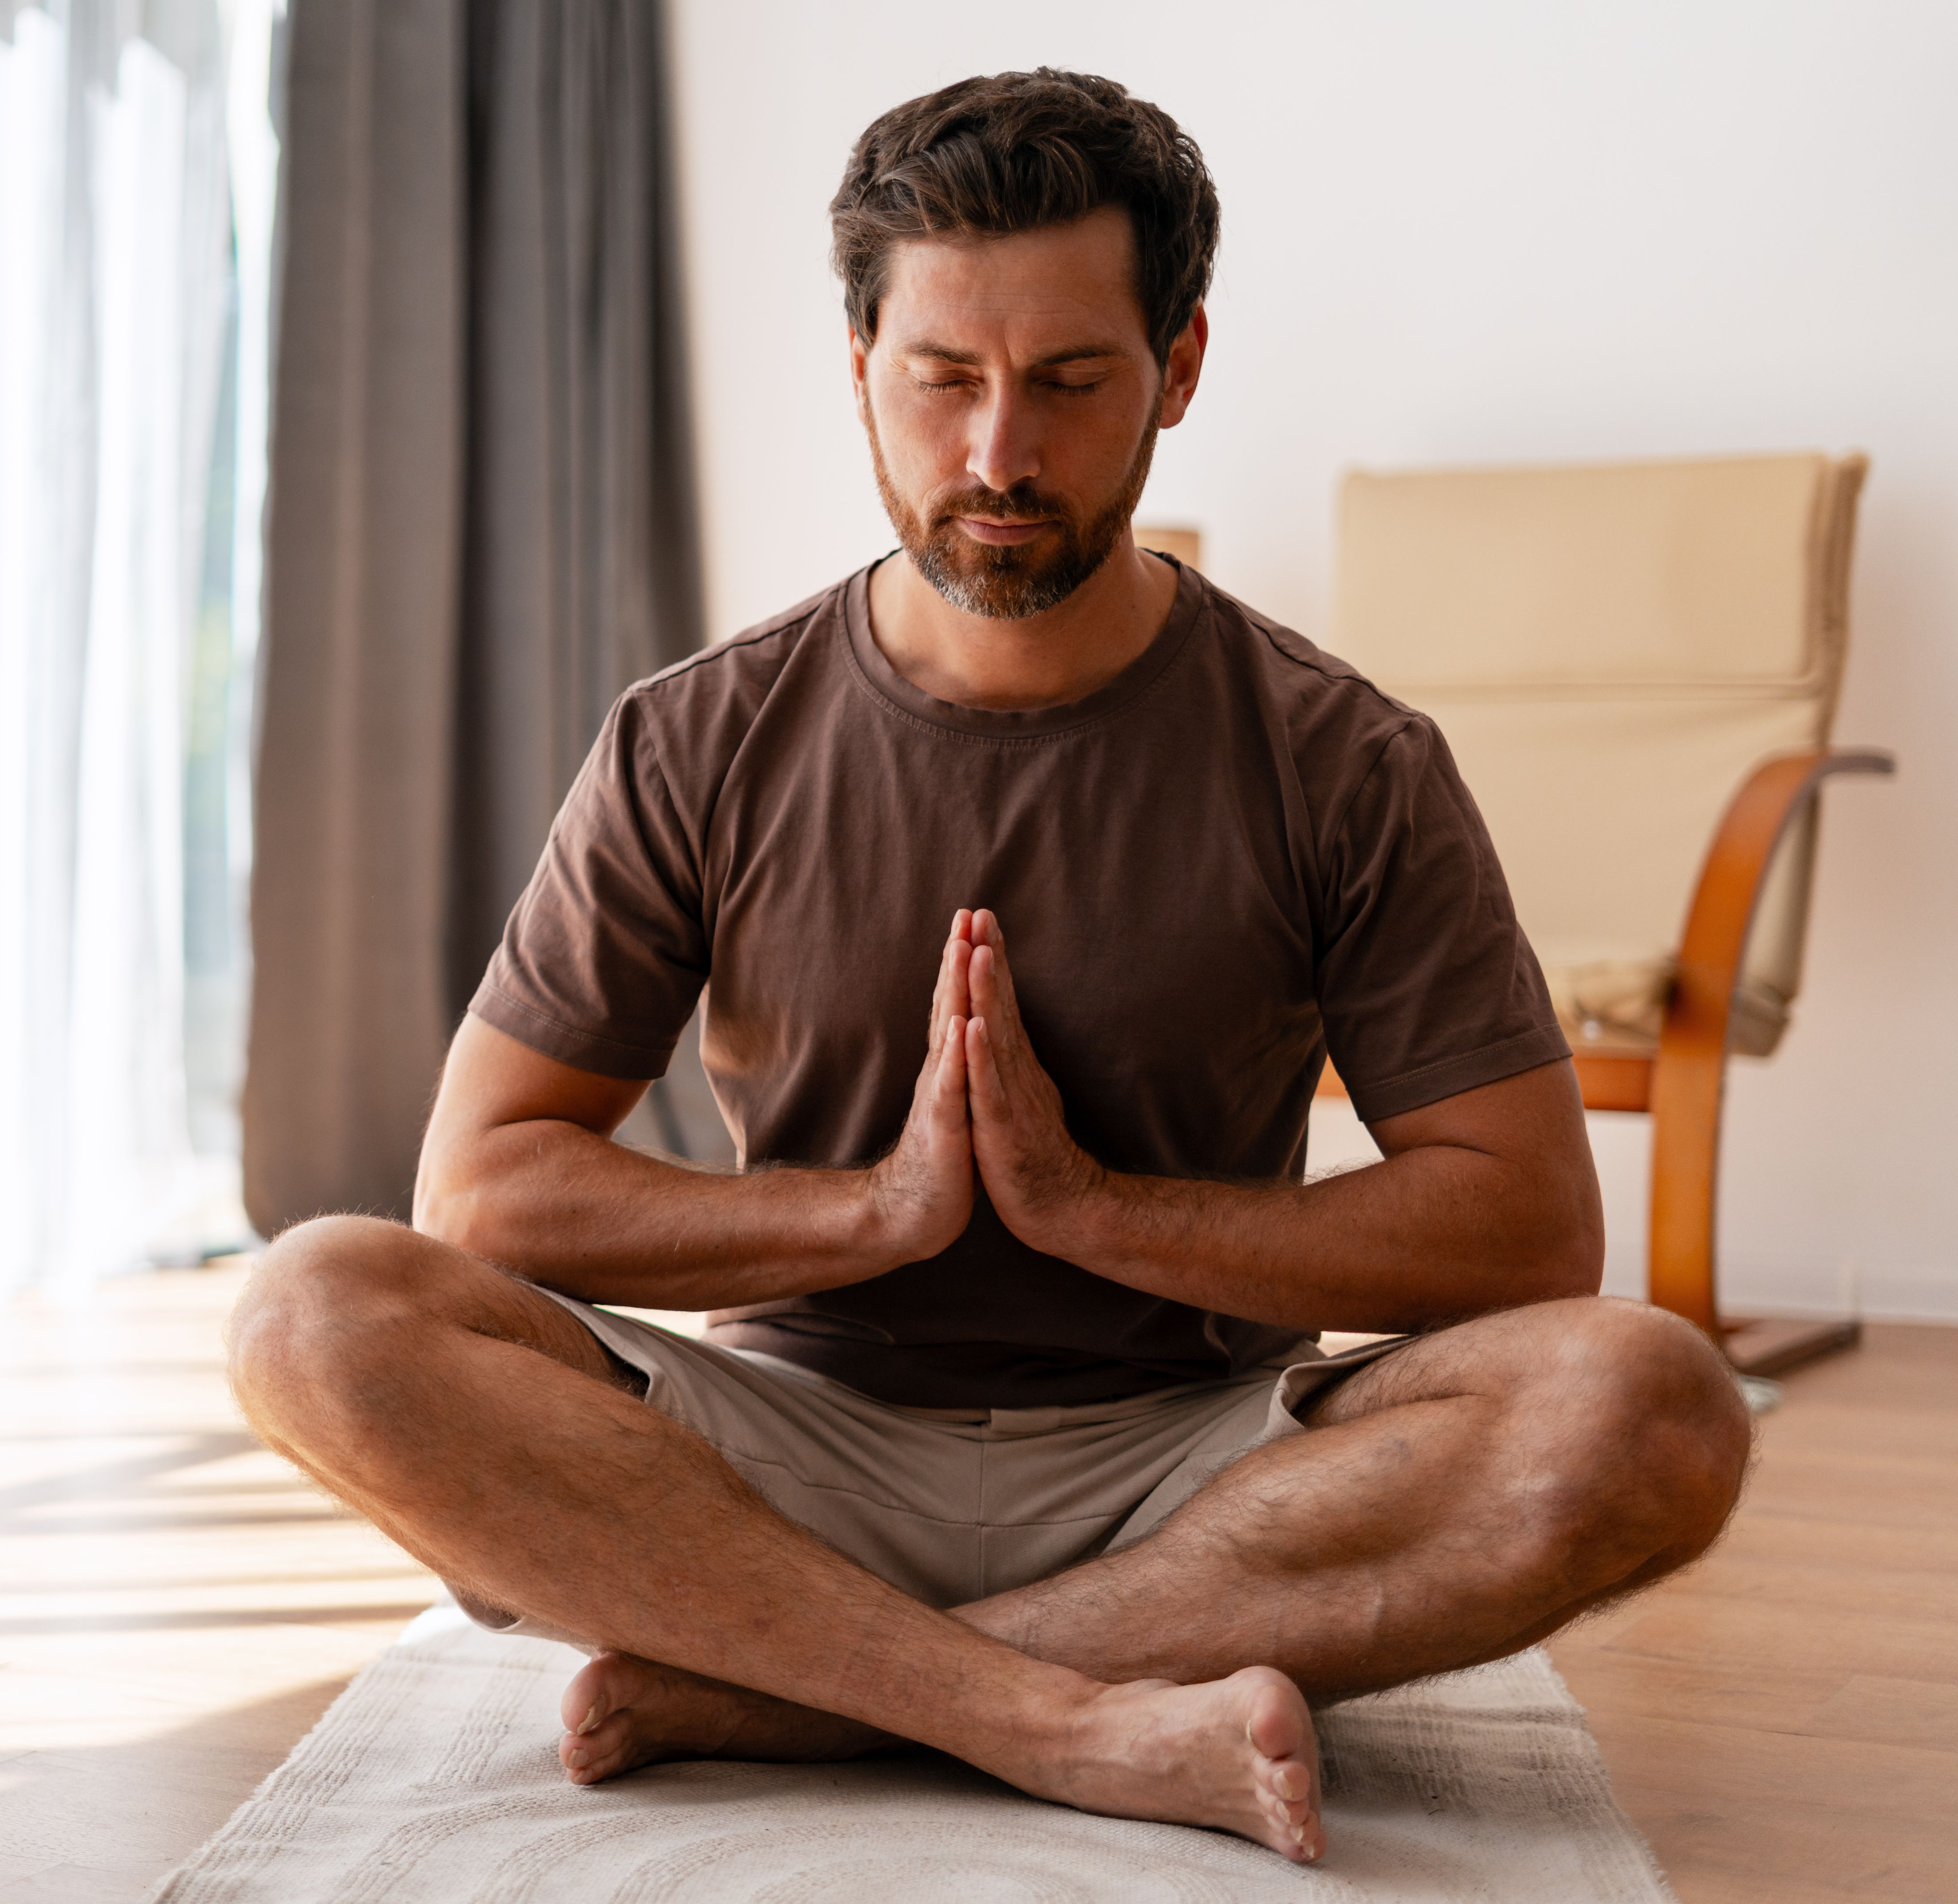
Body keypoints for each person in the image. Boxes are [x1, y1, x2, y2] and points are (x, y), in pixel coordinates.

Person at [224, 68, 1751, 1865]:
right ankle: (1049, 1716)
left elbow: (1528, 1232)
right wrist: (873, 1216)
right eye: (942, 380)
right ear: (860, 363)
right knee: (309, 1312)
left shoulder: (1344, 758)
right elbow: (476, 1193)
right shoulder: (697, 740)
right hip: (782, 1454)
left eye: (1072, 382)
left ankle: (794, 1691)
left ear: (1179, 368)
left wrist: (1098, 1212)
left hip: (1202, 1466)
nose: (999, 455)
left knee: (1654, 1409)